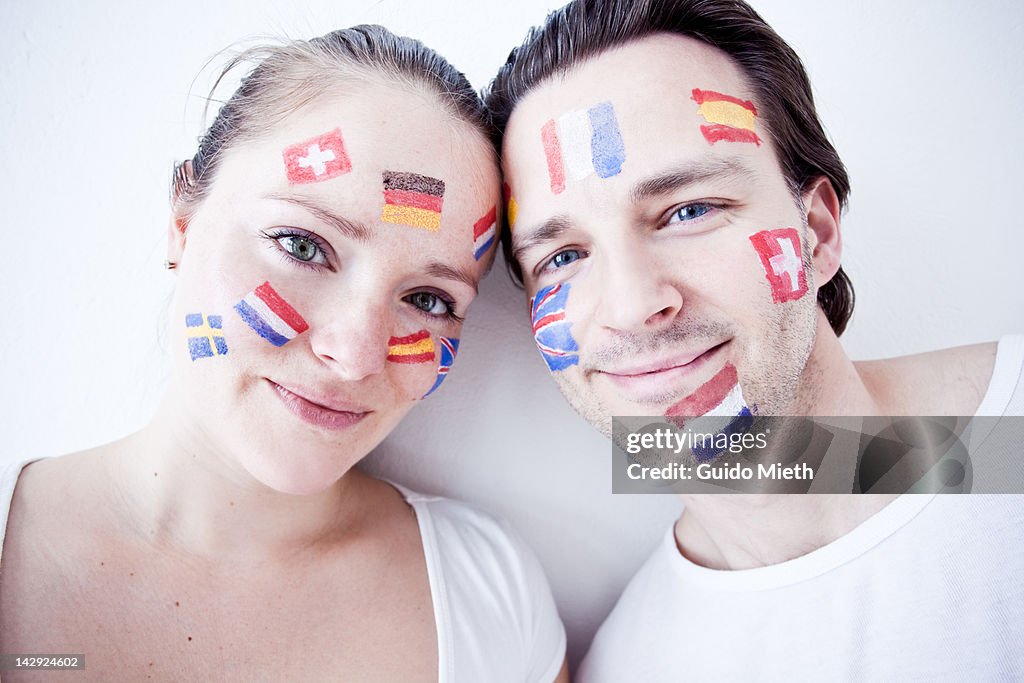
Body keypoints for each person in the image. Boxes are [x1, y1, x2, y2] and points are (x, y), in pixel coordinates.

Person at [0, 25, 568, 682]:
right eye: (302, 244)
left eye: (430, 299)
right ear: (181, 225)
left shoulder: (491, 596)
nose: (355, 354)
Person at [485, 0, 1023, 679]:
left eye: (688, 210)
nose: (631, 305)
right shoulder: (628, 665)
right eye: (561, 256)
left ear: (817, 232)